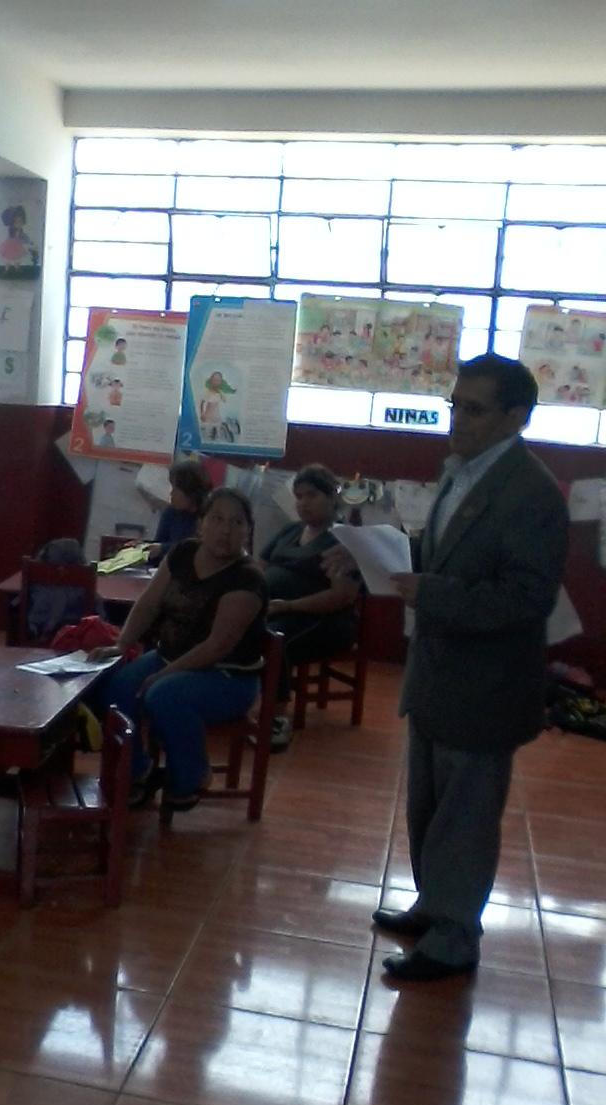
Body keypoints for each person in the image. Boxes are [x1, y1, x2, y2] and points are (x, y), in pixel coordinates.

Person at [327, 354, 568, 981]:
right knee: (429, 807)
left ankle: (455, 938)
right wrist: (373, 558)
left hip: (486, 685)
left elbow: (526, 598)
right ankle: (435, 906)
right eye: (454, 405)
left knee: (466, 816)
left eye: (474, 409)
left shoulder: (532, 492)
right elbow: (445, 556)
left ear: (516, 417)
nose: (457, 419)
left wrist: (430, 592)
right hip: (437, 672)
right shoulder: (461, 471)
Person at [89, 487, 268, 812]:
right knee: (114, 685)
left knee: (164, 695)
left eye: (237, 522)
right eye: (217, 519)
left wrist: (164, 674)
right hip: (167, 658)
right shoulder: (184, 552)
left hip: (227, 677)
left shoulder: (247, 578)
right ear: (201, 524)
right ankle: (137, 771)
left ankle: (193, 776)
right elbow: (149, 603)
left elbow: (217, 646)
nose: (226, 530)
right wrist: (121, 644)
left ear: (248, 531)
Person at [259, 464, 360, 748]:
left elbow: (342, 596)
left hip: (325, 620)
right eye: (299, 496)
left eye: (312, 495)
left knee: (273, 638)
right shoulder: (290, 531)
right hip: (277, 609)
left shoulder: (343, 540)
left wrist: (288, 606)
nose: (303, 503)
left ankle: (278, 717)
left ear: (332, 497)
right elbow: (258, 567)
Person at [146, 458, 212, 565]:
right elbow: (157, 547)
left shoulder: (209, 516)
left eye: (175, 489)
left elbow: (199, 550)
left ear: (190, 492)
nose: (171, 493)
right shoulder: (170, 513)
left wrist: (163, 549)